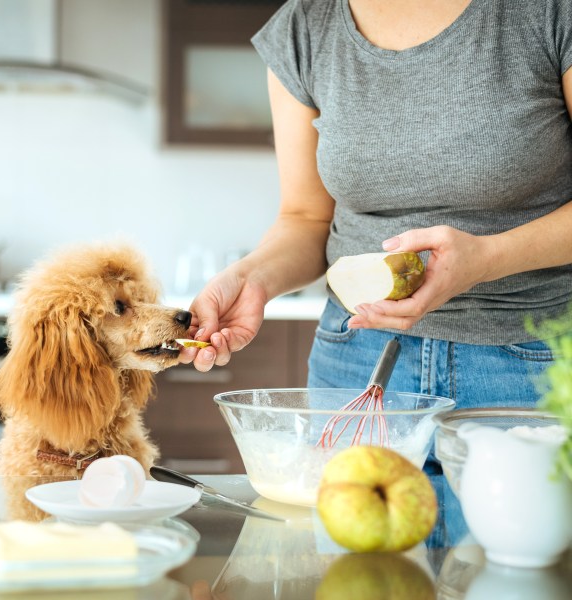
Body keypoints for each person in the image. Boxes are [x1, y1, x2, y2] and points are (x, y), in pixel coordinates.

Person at [180, 0, 572, 411]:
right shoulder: (306, 24)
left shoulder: (547, 11)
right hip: (355, 356)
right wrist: (251, 281)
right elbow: (305, 218)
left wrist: (488, 258)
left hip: (533, 360)